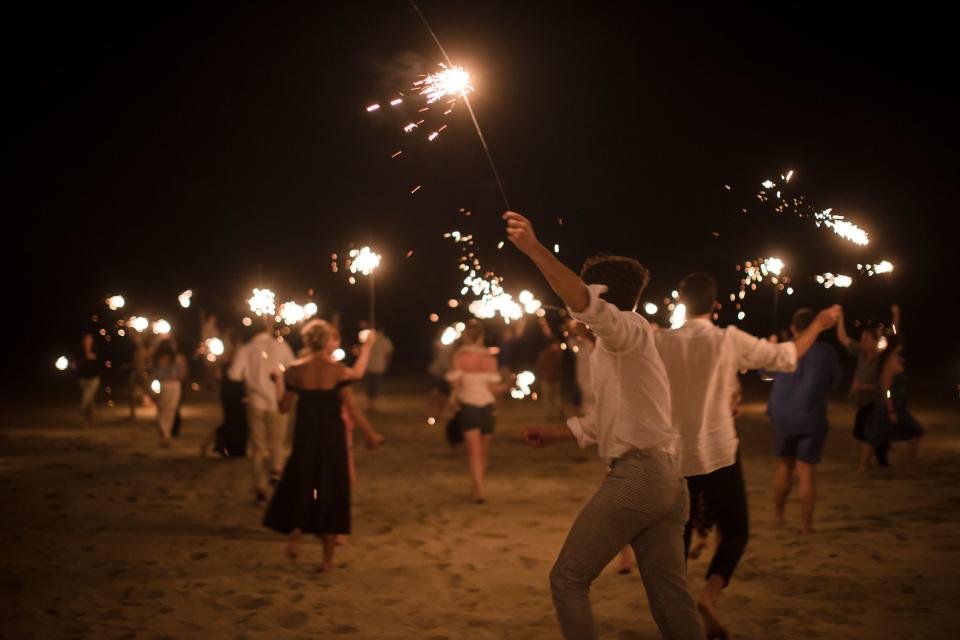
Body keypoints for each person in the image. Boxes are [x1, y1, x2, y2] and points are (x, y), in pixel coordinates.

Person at [505, 211, 702, 640]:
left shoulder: (626, 329)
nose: (576, 303)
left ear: (601, 297)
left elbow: (584, 303)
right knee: (670, 596)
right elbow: (610, 418)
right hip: (668, 479)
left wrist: (534, 249)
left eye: (586, 292)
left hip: (641, 477)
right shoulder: (619, 347)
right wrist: (560, 433)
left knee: (568, 579)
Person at [653, 272, 840, 638]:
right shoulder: (728, 340)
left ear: (681, 303)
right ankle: (709, 595)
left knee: (680, 537)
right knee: (736, 532)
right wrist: (818, 324)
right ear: (717, 306)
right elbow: (786, 356)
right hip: (720, 452)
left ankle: (676, 617)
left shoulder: (662, 342)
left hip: (677, 455)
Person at [263, 320, 375, 570]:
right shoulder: (336, 370)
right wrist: (370, 435)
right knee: (332, 491)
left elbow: (283, 408)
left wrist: (277, 382)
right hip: (332, 438)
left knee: (302, 484)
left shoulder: (294, 369)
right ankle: (327, 561)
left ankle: (296, 532)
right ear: (326, 341)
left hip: (305, 437)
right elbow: (351, 406)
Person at [766, 308, 842, 534]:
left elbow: (765, 372)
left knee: (784, 465)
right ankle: (807, 525)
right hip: (811, 416)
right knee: (806, 471)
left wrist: (771, 347)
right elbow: (834, 381)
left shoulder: (783, 349)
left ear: (793, 328)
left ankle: (778, 516)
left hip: (783, 416)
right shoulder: (827, 352)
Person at [228, 317, 296, 502]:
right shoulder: (282, 346)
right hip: (278, 401)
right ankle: (276, 472)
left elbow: (233, 375)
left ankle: (261, 486)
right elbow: (293, 369)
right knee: (278, 444)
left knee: (258, 447)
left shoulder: (247, 348)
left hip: (255, 402)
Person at [446, 320, 506, 503]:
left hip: (469, 408)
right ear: (481, 337)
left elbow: (454, 384)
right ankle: (478, 486)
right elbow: (494, 389)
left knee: (474, 452)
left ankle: (479, 489)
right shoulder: (489, 358)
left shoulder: (459, 357)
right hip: (487, 409)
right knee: (484, 451)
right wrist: (508, 384)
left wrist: (452, 400)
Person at [836, 304, 900, 469]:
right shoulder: (861, 352)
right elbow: (843, 338)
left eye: (866, 339)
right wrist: (840, 317)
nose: (863, 341)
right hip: (863, 402)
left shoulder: (881, 358)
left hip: (876, 402)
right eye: (862, 338)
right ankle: (882, 449)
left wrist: (896, 317)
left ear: (875, 341)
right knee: (860, 432)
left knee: (866, 432)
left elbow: (893, 338)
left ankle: (869, 461)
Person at [861, 334, 924, 474]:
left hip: (898, 405)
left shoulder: (895, 359)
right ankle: (863, 466)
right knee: (874, 436)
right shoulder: (889, 363)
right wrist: (890, 409)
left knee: (914, 433)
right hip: (889, 406)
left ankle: (909, 465)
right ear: (899, 345)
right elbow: (887, 389)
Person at [200, 326, 249, 458]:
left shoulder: (240, 353)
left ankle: (235, 447)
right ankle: (231, 447)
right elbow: (217, 373)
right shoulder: (227, 355)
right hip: (231, 390)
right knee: (233, 419)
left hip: (235, 390)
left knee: (235, 419)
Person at [151, 340, 184, 446]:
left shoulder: (157, 358)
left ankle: (163, 433)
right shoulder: (178, 358)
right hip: (174, 385)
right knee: (170, 410)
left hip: (163, 385)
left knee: (162, 409)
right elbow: (183, 373)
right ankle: (165, 434)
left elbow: (154, 373)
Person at [362, 324, 394, 412]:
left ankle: (370, 404)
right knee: (375, 385)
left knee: (369, 385)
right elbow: (388, 354)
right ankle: (373, 404)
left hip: (369, 365)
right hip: (379, 366)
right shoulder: (385, 340)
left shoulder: (370, 340)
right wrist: (386, 364)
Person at [77, 333, 102, 429]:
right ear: (83, 341)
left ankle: (84, 419)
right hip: (83, 379)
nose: (88, 341)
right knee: (90, 402)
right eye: (86, 339)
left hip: (94, 379)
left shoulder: (96, 350)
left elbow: (102, 362)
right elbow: (77, 363)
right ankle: (90, 422)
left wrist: (94, 357)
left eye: (89, 339)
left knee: (85, 400)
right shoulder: (80, 351)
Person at [537, 337, 564, 422]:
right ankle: (556, 414)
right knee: (555, 397)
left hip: (547, 379)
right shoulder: (557, 354)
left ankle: (550, 415)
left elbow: (540, 366)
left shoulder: (545, 354)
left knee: (548, 398)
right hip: (554, 378)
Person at [127, 330, 151, 420]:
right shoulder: (136, 351)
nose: (136, 340)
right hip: (135, 373)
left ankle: (161, 406)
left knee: (149, 391)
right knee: (131, 393)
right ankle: (132, 414)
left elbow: (148, 361)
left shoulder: (144, 350)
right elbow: (135, 362)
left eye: (138, 339)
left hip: (141, 374)